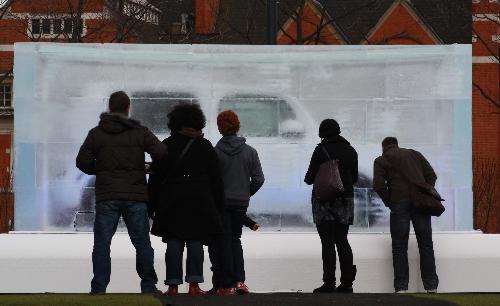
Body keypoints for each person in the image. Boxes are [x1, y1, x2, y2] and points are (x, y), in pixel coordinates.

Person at [76, 91, 166, 294]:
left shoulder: (97, 133)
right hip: (135, 196)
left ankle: (99, 288)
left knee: (102, 244)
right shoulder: (140, 131)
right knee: (142, 243)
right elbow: (161, 152)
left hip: (107, 196)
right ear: (128, 108)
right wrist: (150, 168)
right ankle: (149, 286)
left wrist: (98, 169)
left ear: (110, 108)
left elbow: (82, 161)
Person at [147, 103, 224, 296]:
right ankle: (194, 285)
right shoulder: (205, 146)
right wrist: (218, 205)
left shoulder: (166, 145)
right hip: (200, 199)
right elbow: (217, 180)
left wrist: (151, 204)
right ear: (198, 123)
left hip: (172, 199)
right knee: (195, 240)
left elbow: (156, 178)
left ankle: (173, 285)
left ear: (175, 123)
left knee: (173, 240)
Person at [208, 110, 265, 295]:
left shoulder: (215, 153)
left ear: (219, 128)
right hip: (241, 202)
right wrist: (245, 193)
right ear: (237, 126)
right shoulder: (250, 151)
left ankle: (227, 283)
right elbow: (258, 179)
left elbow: (212, 181)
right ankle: (240, 281)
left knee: (223, 241)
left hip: (222, 202)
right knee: (235, 240)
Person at [373, 137, 439, 294]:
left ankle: (401, 287)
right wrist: (425, 192)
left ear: (383, 147)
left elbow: (378, 186)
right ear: (397, 144)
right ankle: (431, 286)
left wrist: (390, 201)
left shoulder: (381, 160)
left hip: (398, 201)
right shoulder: (415, 154)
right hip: (420, 202)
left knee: (399, 246)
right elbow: (431, 175)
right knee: (426, 244)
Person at [304, 119, 358, 294]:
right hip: (345, 200)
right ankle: (347, 283)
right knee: (342, 240)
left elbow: (309, 178)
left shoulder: (320, 150)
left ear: (322, 133)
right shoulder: (351, 150)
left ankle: (329, 283)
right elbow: (355, 178)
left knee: (327, 242)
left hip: (324, 201)